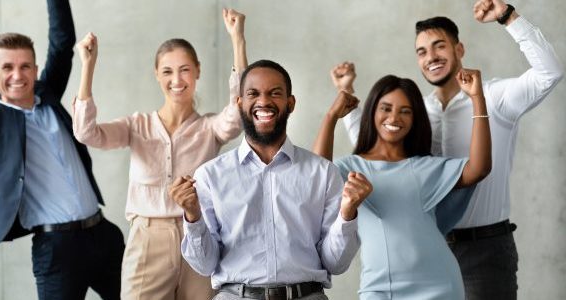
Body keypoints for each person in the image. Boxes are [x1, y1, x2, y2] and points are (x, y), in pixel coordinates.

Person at [338, 0, 563, 298]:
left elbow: (549, 73)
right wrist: (347, 98)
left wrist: (509, 17)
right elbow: (378, 153)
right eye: (422, 51)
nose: (431, 57)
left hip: (485, 250)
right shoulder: (415, 111)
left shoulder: (494, 97)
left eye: (439, 46)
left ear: (459, 49)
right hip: (428, 251)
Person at [73, 8, 249, 300]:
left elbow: (241, 110)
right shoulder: (136, 126)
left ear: (197, 72)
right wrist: (87, 66)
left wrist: (237, 39)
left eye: (184, 70)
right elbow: (85, 132)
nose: (176, 79)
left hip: (200, 237)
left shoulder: (210, 128)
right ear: (157, 75)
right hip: (148, 240)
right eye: (167, 71)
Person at [170, 59, 368, 300]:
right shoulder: (211, 176)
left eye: (275, 93)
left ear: (291, 103)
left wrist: (347, 214)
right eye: (253, 93)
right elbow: (204, 264)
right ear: (239, 103)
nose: (264, 101)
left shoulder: (323, 173)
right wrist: (192, 216)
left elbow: (335, 263)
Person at [0, 0, 125, 299]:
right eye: (7, 67)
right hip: (57, 249)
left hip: (102, 234)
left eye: (25, 66)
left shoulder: (48, 93)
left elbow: (62, 42)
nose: (17, 75)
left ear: (36, 70)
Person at [314, 69, 491, 299]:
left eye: (405, 111)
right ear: (372, 112)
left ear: (415, 119)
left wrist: (478, 99)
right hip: (378, 289)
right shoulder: (351, 168)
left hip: (439, 285)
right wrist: (331, 117)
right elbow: (316, 178)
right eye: (386, 108)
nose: (394, 118)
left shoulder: (425, 167)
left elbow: (479, 168)